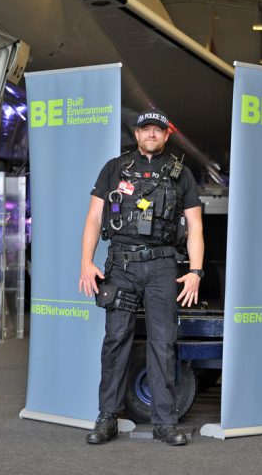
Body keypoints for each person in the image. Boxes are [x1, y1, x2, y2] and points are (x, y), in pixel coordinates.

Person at [79, 108, 204, 447]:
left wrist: (195, 271)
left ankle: (165, 423)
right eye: (145, 129)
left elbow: (195, 225)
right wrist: (86, 262)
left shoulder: (181, 174)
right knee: (115, 340)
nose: (151, 134)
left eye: (158, 130)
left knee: (163, 344)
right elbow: (94, 217)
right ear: (136, 134)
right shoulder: (114, 168)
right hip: (120, 266)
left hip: (163, 266)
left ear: (166, 135)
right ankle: (107, 418)